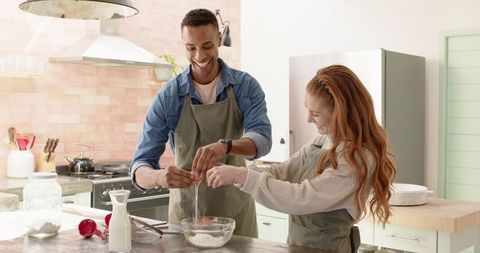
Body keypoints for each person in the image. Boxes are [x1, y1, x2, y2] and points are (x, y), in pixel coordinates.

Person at [206, 65, 396, 251]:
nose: (308, 119)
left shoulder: (357, 159)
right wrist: (234, 173)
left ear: (341, 114)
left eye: (315, 114)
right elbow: (282, 172)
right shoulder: (322, 142)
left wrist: (242, 176)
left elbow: (302, 197)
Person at [129, 8, 272, 237]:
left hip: (235, 219)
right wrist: (158, 177)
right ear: (183, 44)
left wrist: (226, 145)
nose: (199, 56)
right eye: (191, 48)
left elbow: (262, 140)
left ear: (218, 39)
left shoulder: (245, 87)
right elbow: (139, 167)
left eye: (206, 46)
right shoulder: (169, 96)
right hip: (186, 220)